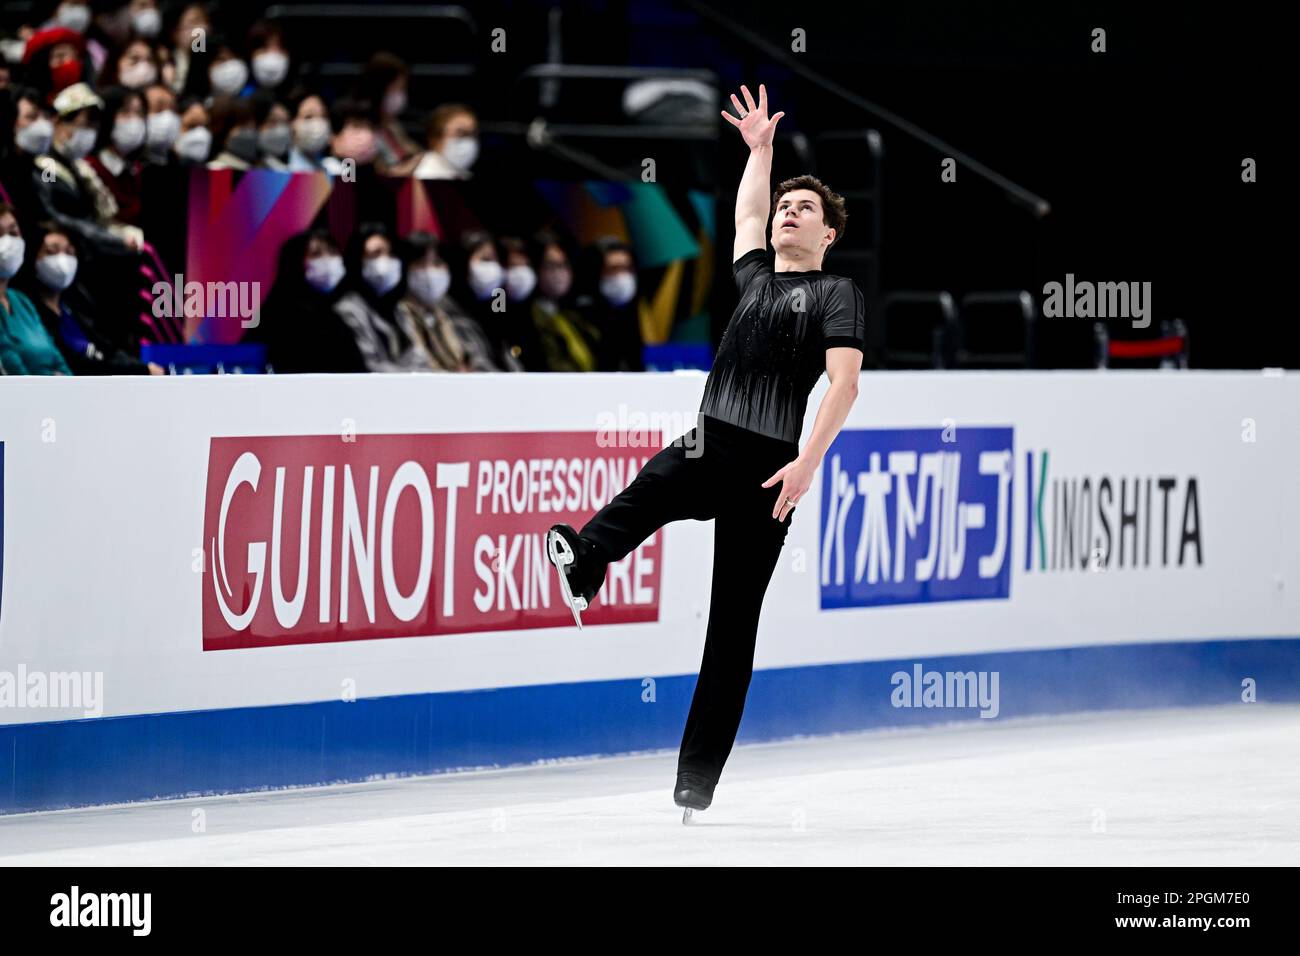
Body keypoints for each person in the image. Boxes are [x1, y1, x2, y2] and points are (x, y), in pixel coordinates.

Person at [544, 84, 864, 818]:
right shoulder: (752, 274)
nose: (788, 212)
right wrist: (761, 153)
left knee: (733, 624)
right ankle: (587, 560)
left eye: (804, 209)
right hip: (713, 439)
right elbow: (748, 212)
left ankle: (697, 779)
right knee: (653, 483)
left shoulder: (836, 293)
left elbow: (843, 387)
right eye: (787, 205)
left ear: (827, 235)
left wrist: (808, 462)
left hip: (772, 468)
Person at [246, 228, 366, 373]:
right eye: (316, 254)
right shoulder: (279, 315)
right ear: (295, 263)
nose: (328, 260)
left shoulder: (341, 311)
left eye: (333, 253)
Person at [0, 203, 72, 374]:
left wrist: (71, 389)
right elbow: (12, 369)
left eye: (13, 233)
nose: (8, 242)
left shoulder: (21, 300)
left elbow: (56, 357)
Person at [412, 103, 478, 180]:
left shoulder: (462, 175)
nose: (468, 141)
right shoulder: (425, 176)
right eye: (461, 133)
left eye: (472, 134)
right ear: (435, 136)